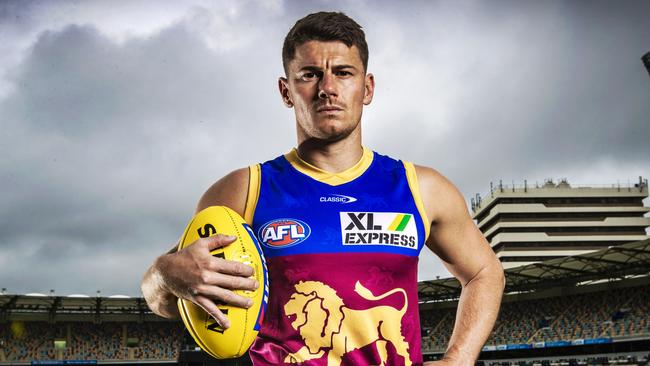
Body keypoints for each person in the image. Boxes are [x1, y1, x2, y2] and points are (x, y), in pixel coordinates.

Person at [141, 11, 505, 366]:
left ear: (367, 88)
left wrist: (459, 358)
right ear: (286, 91)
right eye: (310, 75)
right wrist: (164, 274)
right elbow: (165, 296)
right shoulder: (242, 190)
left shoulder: (422, 188)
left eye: (343, 73)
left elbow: (485, 273)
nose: (327, 88)